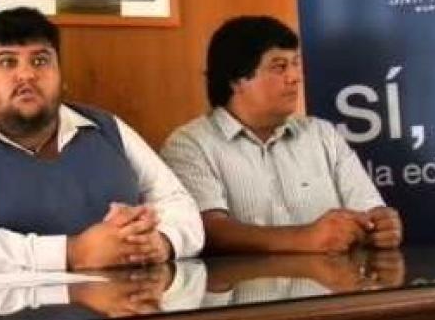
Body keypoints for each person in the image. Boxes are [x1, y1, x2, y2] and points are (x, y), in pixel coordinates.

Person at [0, 7, 203, 277]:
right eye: (7, 62)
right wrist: (73, 252)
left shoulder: (106, 128)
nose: (26, 75)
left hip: (123, 312)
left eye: (40, 61)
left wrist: (160, 242)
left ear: (60, 75)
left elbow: (179, 204)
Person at [161, 16, 402, 254]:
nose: (295, 77)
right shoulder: (189, 145)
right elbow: (209, 230)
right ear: (236, 80)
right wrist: (305, 238)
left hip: (338, 278)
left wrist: (381, 224)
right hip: (244, 281)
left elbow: (369, 210)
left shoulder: (322, 134)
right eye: (279, 67)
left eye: (296, 64)